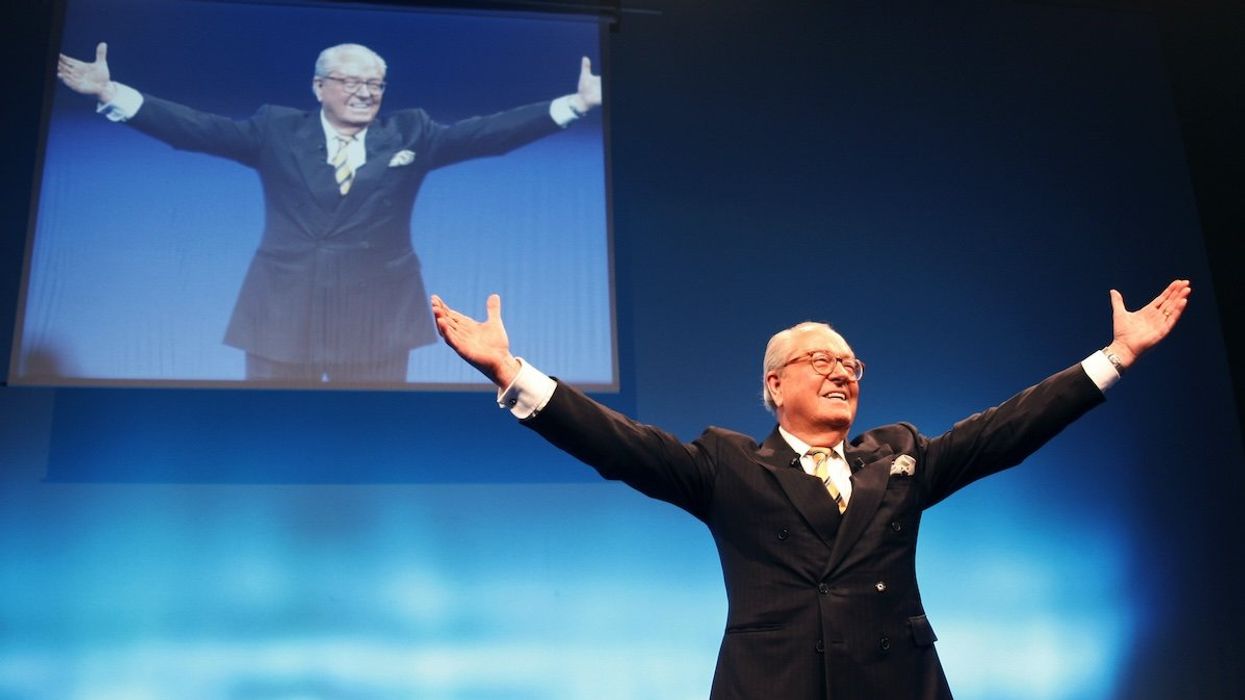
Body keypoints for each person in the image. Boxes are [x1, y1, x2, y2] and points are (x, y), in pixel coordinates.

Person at [429, 279, 1191, 699]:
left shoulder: (898, 455)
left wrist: (1114, 357)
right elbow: (617, 444)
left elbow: (1004, 431)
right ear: (774, 384)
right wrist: (511, 373)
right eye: (820, 360)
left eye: (852, 365)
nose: (840, 371)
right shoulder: (727, 465)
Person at [55, 42, 602, 383]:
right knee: (265, 430)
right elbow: (198, 131)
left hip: (378, 317)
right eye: (351, 82)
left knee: (378, 435)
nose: (365, 93)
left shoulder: (412, 132)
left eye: (375, 84)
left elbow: (487, 135)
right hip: (279, 310)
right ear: (319, 87)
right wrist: (112, 94)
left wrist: (573, 106)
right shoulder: (275, 129)